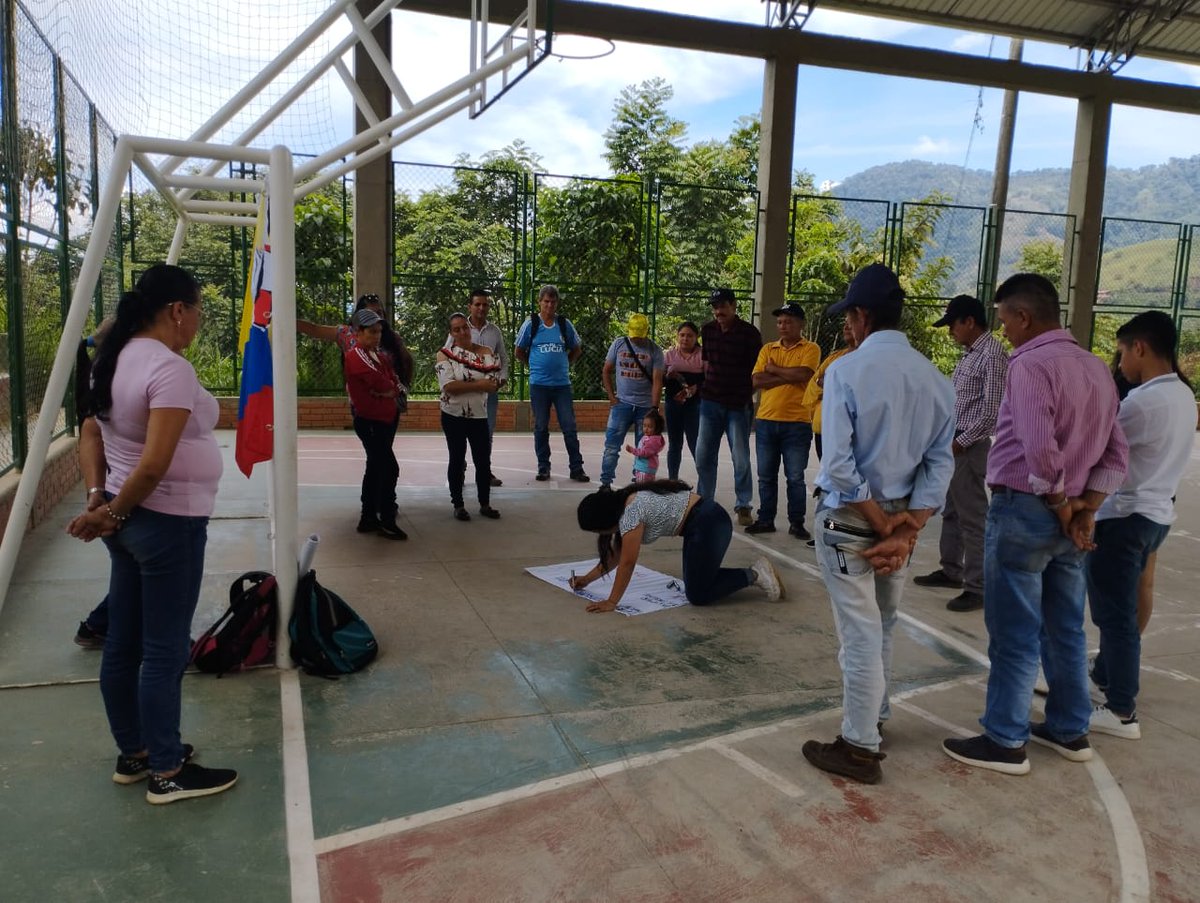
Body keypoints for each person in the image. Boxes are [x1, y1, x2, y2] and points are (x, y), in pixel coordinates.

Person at [66, 263, 238, 804]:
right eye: (199, 310)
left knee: (125, 642)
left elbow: (91, 434)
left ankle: (136, 752)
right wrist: (113, 512)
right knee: (164, 649)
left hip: (130, 522)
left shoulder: (110, 361)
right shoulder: (167, 368)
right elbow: (154, 465)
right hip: (166, 523)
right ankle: (167, 769)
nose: (199, 321)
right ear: (177, 310)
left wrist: (100, 500)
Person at [943, 273, 1128, 776]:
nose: (1003, 330)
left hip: (1028, 509)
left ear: (1023, 317)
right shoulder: (1094, 366)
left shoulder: (1028, 365)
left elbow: (1040, 450)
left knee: (1014, 630)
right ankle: (1070, 727)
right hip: (1069, 518)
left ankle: (1005, 739)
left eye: (1004, 320)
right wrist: (1086, 510)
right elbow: (1117, 453)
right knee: (1065, 626)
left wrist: (1064, 506)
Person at [803, 264, 956, 785]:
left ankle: (859, 745)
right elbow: (940, 464)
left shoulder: (846, 371)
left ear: (863, 316)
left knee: (860, 631)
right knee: (883, 622)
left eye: (848, 317)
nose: (847, 326)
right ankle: (876, 715)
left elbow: (839, 466)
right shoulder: (935, 379)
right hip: (902, 518)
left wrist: (882, 523)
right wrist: (905, 529)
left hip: (851, 519)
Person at [1086, 311, 1195, 740]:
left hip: (1126, 518)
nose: (1121, 363)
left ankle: (1121, 710)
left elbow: (1098, 449)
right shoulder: (1182, 395)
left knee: (1116, 617)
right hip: (1156, 514)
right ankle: (1104, 674)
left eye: (1122, 352)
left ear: (1140, 347)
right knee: (1124, 610)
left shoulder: (1144, 402)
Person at [914, 294, 1008, 613]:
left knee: (972, 518)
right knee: (952, 511)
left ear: (969, 321)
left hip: (968, 446)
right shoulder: (971, 354)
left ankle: (977, 586)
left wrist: (961, 442)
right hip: (953, 443)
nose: (950, 332)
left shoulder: (991, 355)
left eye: (953, 325)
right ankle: (951, 570)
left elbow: (991, 413)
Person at [570, 481, 784, 612]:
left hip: (709, 523)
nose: (601, 536)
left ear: (605, 520)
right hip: (702, 523)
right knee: (696, 584)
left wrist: (612, 602)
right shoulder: (625, 502)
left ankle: (755, 574)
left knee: (698, 594)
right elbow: (616, 556)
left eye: (598, 531)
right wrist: (586, 580)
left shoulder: (630, 514)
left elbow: (627, 563)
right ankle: (744, 574)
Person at [746, 302, 820, 540]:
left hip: (797, 422)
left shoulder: (811, 348)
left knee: (795, 477)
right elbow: (757, 380)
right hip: (766, 420)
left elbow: (805, 374)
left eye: (788, 321)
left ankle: (796, 522)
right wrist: (789, 376)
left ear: (801, 324)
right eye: (779, 322)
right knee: (765, 476)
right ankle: (765, 519)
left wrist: (774, 369)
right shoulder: (768, 348)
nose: (783, 326)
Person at [695, 288, 762, 526]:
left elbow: (757, 370)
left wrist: (745, 394)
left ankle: (743, 505)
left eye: (722, 306)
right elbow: (706, 364)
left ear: (734, 306)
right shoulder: (708, 330)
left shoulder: (749, 334)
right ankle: (704, 502)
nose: (718, 311)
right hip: (710, 402)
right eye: (715, 307)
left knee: (740, 458)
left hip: (737, 405)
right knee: (703, 456)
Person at [514, 284, 589, 483]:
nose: (549, 305)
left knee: (569, 427)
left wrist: (566, 363)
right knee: (540, 426)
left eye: (553, 302)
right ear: (539, 302)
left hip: (562, 385)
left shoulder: (564, 324)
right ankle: (543, 467)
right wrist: (533, 365)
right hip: (539, 385)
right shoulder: (531, 324)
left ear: (557, 303)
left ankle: (576, 468)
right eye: (546, 301)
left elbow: (576, 348)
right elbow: (518, 351)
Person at [344, 308, 407, 539]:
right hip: (370, 421)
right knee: (389, 468)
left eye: (379, 331)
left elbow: (395, 382)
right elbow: (384, 383)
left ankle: (368, 517)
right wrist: (386, 390)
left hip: (383, 419)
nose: (377, 336)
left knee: (375, 467)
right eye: (372, 331)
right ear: (358, 332)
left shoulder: (379, 355)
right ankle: (386, 518)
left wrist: (388, 391)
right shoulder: (356, 356)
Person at [73, 317, 115, 649]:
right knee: (142, 573)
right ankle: (97, 626)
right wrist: (104, 502)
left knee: (135, 572)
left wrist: (95, 493)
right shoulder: (111, 380)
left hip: (116, 493)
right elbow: (92, 434)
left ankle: (98, 627)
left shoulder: (103, 376)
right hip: (125, 494)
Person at [436, 312, 503, 521]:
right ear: (451, 333)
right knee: (457, 459)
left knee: (483, 461)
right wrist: (479, 384)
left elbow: (492, 384)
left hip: (479, 415)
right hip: (452, 415)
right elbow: (449, 386)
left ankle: (485, 504)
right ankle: (458, 504)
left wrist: (467, 385)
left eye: (465, 327)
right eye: (457, 329)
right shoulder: (444, 355)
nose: (463, 332)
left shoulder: (486, 352)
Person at [444, 289, 508, 487]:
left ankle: (485, 472)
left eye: (485, 304)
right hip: (462, 393)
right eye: (477, 304)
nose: (481, 308)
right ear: (469, 306)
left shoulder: (494, 331)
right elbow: (447, 354)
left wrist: (501, 379)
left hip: (487, 393)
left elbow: (503, 357)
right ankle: (459, 469)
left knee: (486, 433)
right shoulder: (459, 328)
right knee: (460, 437)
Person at [297, 292, 415, 391]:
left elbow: (407, 361)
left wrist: (404, 388)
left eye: (379, 313)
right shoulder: (346, 334)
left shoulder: (391, 338)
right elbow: (315, 329)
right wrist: (290, 321)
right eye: (369, 314)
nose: (375, 318)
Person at [599, 313, 664, 490]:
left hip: (645, 407)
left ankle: (640, 483)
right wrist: (612, 397)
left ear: (646, 332)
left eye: (639, 336)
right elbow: (606, 370)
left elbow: (657, 380)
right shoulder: (618, 344)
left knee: (645, 449)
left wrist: (654, 407)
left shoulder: (655, 350)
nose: (636, 339)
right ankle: (605, 483)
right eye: (634, 335)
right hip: (621, 404)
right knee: (612, 446)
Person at [802, 317, 857, 466]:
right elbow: (814, 384)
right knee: (827, 472)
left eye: (851, 322)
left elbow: (852, 388)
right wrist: (832, 386)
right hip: (823, 427)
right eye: (844, 323)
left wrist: (828, 384)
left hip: (847, 430)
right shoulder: (836, 357)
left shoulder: (867, 358)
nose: (846, 327)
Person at [662, 321, 703, 480]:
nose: (685, 338)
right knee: (674, 443)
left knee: (695, 442)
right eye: (682, 335)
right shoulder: (669, 355)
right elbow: (660, 381)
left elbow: (710, 379)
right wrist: (668, 376)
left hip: (695, 405)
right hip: (673, 404)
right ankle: (672, 480)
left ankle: (704, 480)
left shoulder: (703, 355)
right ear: (677, 336)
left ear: (696, 337)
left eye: (689, 336)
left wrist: (697, 387)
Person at [627, 409, 666, 483]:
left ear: (657, 428)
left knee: (642, 487)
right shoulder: (649, 437)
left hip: (645, 469)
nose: (646, 429)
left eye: (650, 427)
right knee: (644, 486)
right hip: (643, 467)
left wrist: (632, 450)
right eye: (644, 425)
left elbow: (644, 453)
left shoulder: (653, 441)